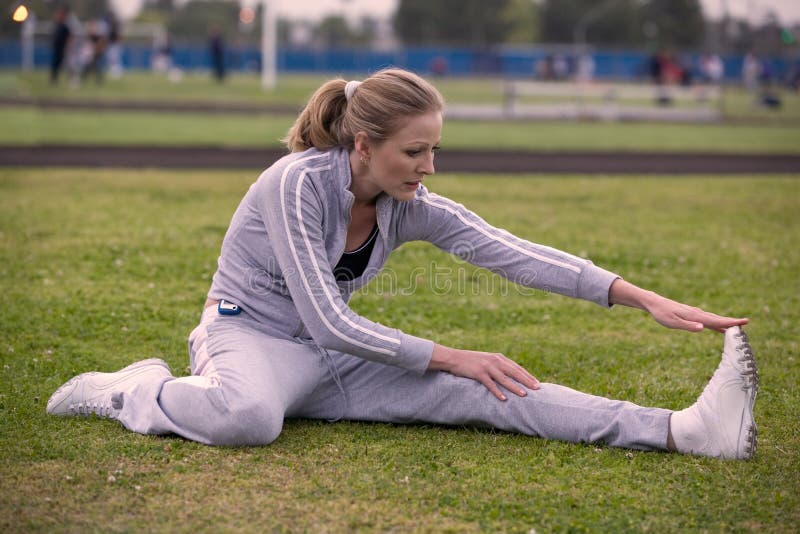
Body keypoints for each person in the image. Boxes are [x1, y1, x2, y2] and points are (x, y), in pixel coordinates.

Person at [46, 69, 758, 460]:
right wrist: (450, 354)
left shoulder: (412, 203)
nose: (428, 166)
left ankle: (680, 431)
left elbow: (516, 254)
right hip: (245, 337)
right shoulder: (294, 182)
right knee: (251, 418)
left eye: (434, 149)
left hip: (328, 358)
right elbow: (324, 316)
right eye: (413, 151)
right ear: (362, 146)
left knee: (496, 391)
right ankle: (134, 392)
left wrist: (641, 298)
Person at [49, 5, 72, 85]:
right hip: (57, 48)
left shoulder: (65, 27)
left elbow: (69, 37)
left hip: (62, 49)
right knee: (55, 65)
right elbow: (54, 37)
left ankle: (71, 79)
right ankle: (53, 79)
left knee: (66, 65)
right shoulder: (57, 25)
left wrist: (67, 47)